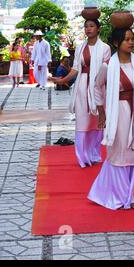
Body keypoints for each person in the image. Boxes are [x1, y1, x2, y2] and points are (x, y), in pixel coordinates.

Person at [88, 21, 134, 210]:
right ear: (115, 43)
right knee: (120, 153)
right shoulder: (107, 66)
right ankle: (119, 196)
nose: (131, 42)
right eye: (126, 40)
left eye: (132, 38)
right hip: (118, 113)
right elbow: (97, 87)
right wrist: (102, 112)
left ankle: (129, 194)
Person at [51, 17, 111, 168]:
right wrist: (62, 80)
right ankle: (82, 157)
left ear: (98, 29)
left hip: (97, 87)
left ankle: (94, 154)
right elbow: (75, 69)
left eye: (91, 26)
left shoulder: (105, 48)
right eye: (86, 26)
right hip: (82, 86)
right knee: (83, 121)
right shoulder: (80, 48)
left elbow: (107, 71)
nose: (88, 29)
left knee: (96, 123)